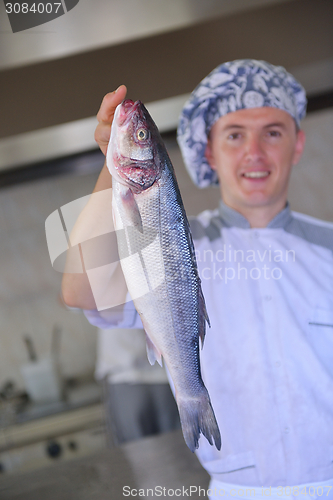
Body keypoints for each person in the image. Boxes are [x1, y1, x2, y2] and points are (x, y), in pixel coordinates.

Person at [62, 60, 333, 498]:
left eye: (273, 132)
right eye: (234, 135)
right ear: (208, 150)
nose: (254, 153)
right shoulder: (170, 242)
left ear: (297, 145)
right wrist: (111, 164)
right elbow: (80, 292)